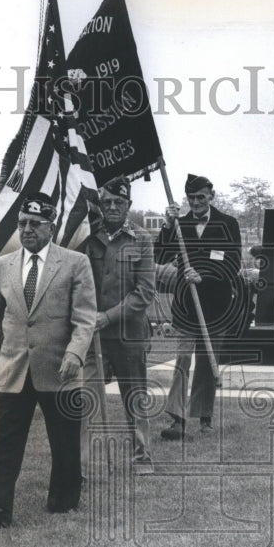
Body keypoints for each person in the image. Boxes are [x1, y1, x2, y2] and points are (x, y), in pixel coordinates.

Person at [0, 194, 97, 526]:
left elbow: (85, 318)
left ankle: (63, 499)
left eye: (34, 224)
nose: (27, 229)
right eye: (22, 223)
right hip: (15, 367)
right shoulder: (3, 266)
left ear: (50, 227)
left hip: (61, 367)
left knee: (65, 439)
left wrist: (74, 353)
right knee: (5, 437)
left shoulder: (74, 263)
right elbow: (0, 320)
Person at [155, 174, 244, 440]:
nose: (195, 202)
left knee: (207, 363)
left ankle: (204, 419)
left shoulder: (228, 224)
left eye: (200, 197)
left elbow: (233, 263)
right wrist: (168, 226)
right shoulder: (179, 225)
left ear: (211, 196)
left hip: (216, 307)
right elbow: (160, 255)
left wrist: (203, 274)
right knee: (182, 361)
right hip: (186, 308)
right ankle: (177, 420)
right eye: (191, 198)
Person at [82, 178, 156, 464]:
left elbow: (145, 292)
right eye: (107, 202)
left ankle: (142, 456)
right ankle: (83, 463)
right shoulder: (88, 237)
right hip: (92, 335)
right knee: (87, 399)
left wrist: (107, 318)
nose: (112, 207)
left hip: (130, 334)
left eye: (119, 202)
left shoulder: (142, 240)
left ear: (129, 205)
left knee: (134, 398)